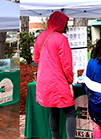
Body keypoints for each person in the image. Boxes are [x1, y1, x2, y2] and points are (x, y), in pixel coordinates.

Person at [33, 11, 76, 139]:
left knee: (54, 110)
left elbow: (36, 58)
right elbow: (66, 65)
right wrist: (70, 81)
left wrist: (48, 64)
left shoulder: (40, 37)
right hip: (58, 81)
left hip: (44, 81)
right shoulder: (61, 39)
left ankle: (55, 137)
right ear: (61, 23)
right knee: (70, 112)